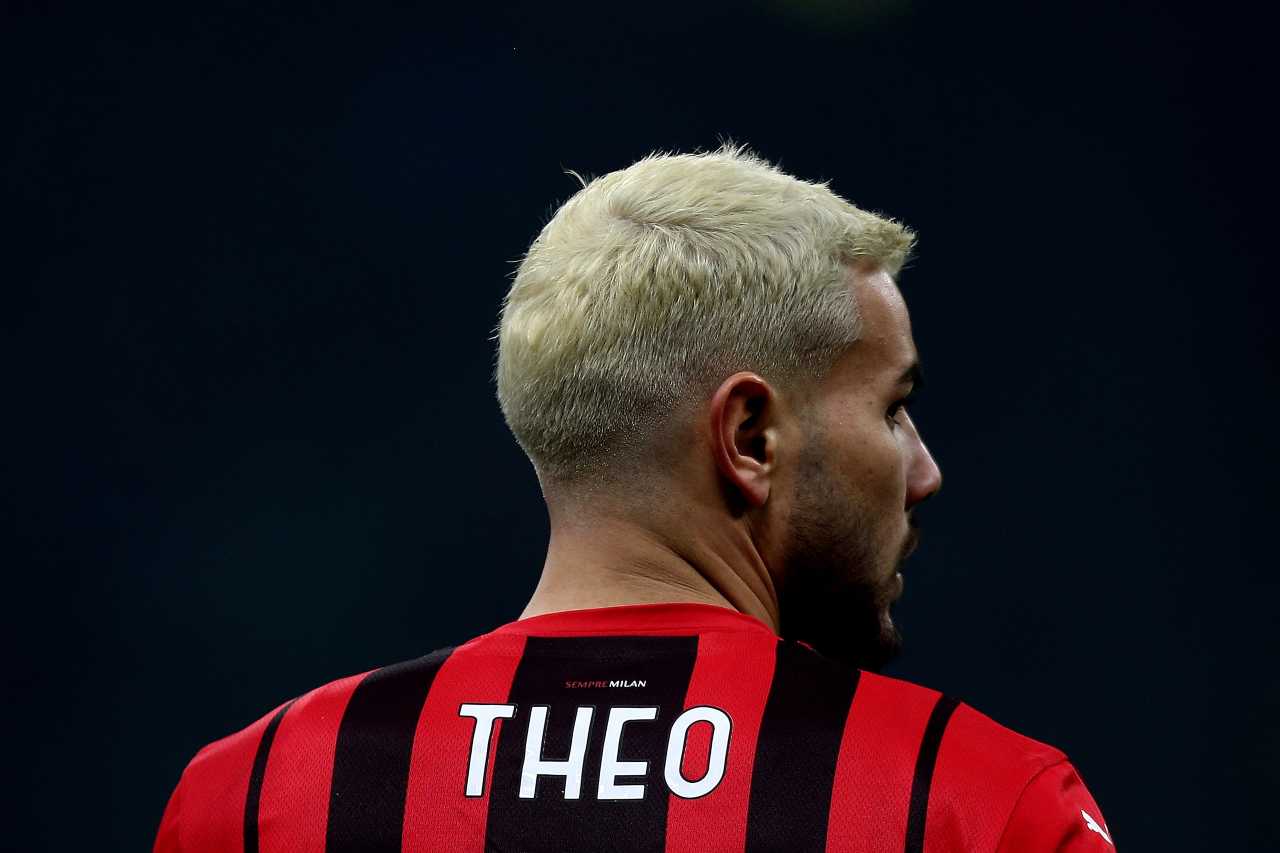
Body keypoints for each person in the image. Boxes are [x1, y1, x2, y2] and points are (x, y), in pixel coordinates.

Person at [154, 145, 1115, 852]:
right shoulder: (976, 803)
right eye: (893, 407)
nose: (924, 469)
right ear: (750, 437)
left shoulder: (254, 799)